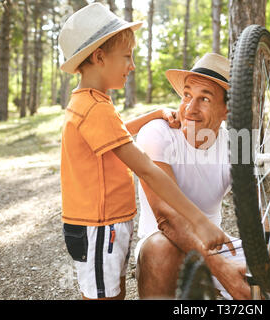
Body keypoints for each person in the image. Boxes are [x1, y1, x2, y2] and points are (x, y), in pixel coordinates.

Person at [58, 4, 232, 300]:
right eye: (127, 56)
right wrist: (199, 221)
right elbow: (148, 171)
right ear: (100, 57)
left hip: (107, 225)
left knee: (115, 292)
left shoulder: (91, 104)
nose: (132, 65)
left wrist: (152, 114)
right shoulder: (95, 109)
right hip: (100, 226)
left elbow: (117, 131)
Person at [135, 53, 251, 300]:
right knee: (161, 248)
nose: (190, 108)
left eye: (204, 98)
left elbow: (256, 207)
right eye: (187, 95)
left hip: (216, 246)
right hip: (162, 240)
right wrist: (225, 274)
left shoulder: (238, 143)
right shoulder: (157, 133)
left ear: (226, 110)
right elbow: (166, 217)